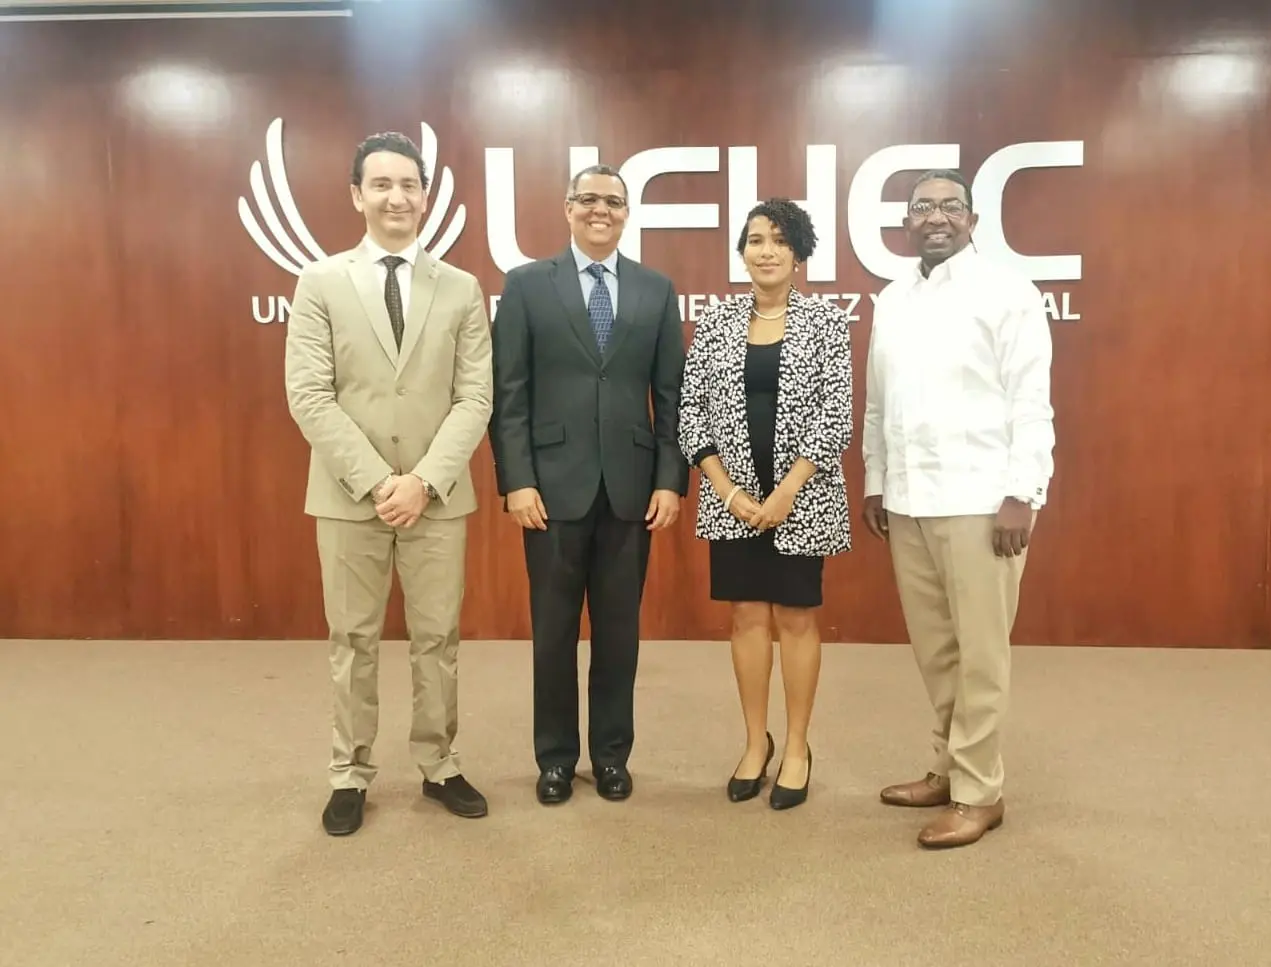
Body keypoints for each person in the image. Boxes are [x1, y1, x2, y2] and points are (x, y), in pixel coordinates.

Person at [285, 131, 494, 836]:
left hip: (437, 498)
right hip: (348, 497)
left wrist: (425, 482)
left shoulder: (461, 288)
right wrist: (380, 480)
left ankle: (440, 763)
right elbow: (310, 395)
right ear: (357, 195)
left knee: (438, 636)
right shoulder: (320, 282)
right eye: (381, 184)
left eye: (408, 184)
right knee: (354, 637)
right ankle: (350, 772)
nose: (396, 196)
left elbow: (475, 399)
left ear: (425, 194)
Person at [863, 168, 1055, 849]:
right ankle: (949, 766)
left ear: (973, 219)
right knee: (937, 649)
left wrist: (1022, 492)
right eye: (923, 207)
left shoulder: (1008, 293)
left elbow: (1031, 401)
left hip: (982, 502)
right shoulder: (892, 298)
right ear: (907, 221)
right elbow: (880, 402)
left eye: (950, 206)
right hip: (909, 503)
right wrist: (877, 479)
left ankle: (980, 792)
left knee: (980, 654)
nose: (936, 216)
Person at [489, 164, 686, 806]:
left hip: (631, 491)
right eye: (589, 200)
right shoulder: (525, 287)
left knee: (619, 634)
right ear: (568, 208)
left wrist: (670, 480)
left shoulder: (656, 291)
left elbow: (672, 397)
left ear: (627, 214)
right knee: (552, 631)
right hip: (549, 489)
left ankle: (610, 756)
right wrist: (516, 481)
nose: (601, 210)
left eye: (614, 202)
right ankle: (554, 759)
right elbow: (508, 395)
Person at [678, 199, 852, 810]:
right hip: (732, 502)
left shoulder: (828, 324)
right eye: (755, 240)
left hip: (802, 500)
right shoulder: (717, 324)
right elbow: (691, 412)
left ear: (799, 254)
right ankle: (757, 743)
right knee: (748, 617)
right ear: (742, 254)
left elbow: (835, 418)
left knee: (797, 618)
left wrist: (784, 493)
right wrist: (727, 490)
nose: (767, 250)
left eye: (780, 240)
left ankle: (799, 748)